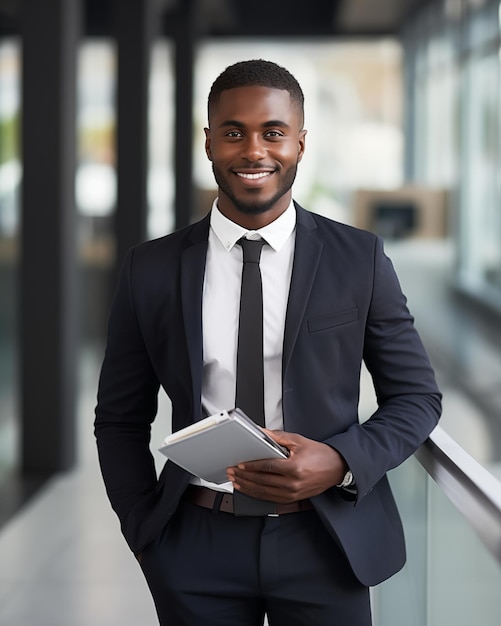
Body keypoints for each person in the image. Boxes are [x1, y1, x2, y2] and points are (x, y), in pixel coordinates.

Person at [95, 59, 441, 625]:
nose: (254, 150)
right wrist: (145, 532)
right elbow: (119, 418)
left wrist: (340, 461)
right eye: (234, 132)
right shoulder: (149, 268)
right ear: (208, 142)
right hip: (195, 542)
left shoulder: (360, 259)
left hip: (327, 540)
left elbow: (417, 398)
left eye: (273, 132)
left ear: (301, 143)